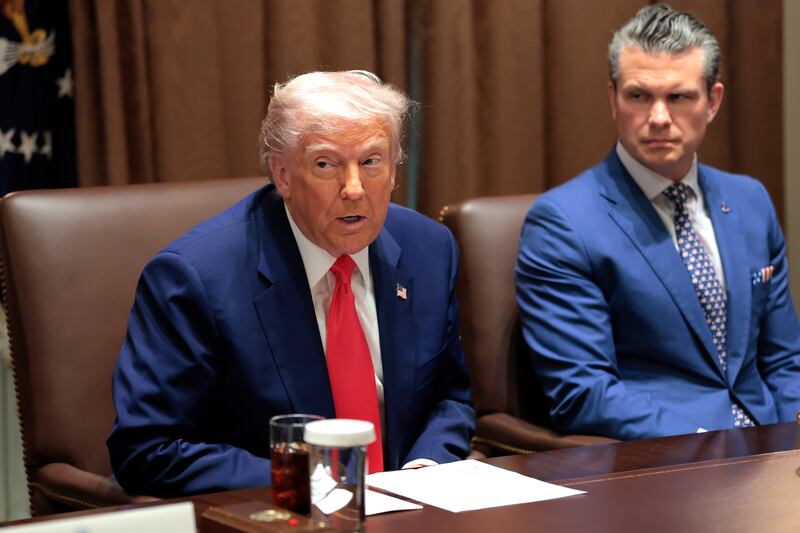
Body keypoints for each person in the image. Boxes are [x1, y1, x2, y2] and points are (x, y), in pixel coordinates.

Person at [108, 70, 475, 496]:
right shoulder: (195, 278)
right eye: (325, 164)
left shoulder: (428, 250)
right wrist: (316, 483)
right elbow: (150, 450)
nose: (354, 188)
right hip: (277, 513)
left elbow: (449, 399)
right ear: (282, 175)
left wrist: (424, 470)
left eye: (371, 161)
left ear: (394, 170)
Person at [516, 4, 800, 440]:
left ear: (713, 102)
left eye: (679, 97)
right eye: (639, 96)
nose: (659, 118)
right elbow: (586, 393)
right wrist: (717, 448)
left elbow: (784, 360)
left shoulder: (750, 201)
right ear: (613, 99)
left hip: (773, 450)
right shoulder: (563, 223)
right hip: (671, 457)